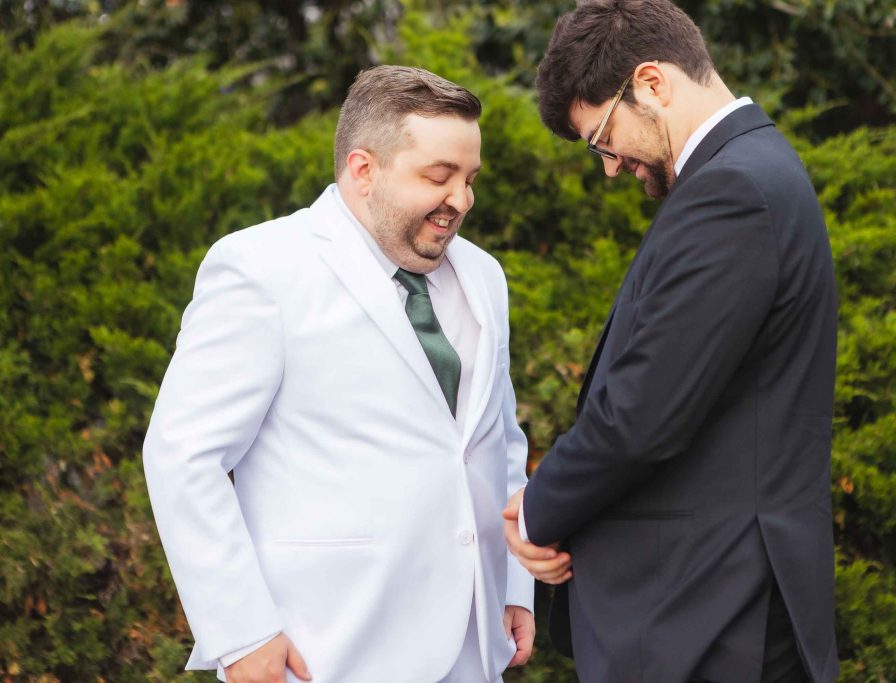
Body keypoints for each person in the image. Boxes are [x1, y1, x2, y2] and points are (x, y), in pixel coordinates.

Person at [143, 65, 534, 683]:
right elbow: (181, 456)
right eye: (439, 176)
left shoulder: (485, 276)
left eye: (470, 178)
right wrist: (240, 633)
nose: (461, 199)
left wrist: (515, 584)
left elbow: (498, 442)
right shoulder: (261, 269)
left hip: (475, 645)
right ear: (363, 170)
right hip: (324, 650)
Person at [502, 1, 839, 682]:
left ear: (652, 84)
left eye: (602, 137)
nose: (609, 166)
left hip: (714, 618)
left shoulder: (731, 192)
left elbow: (643, 414)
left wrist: (538, 508)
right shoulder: (754, 170)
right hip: (719, 605)